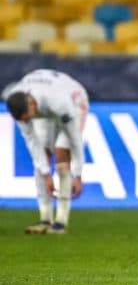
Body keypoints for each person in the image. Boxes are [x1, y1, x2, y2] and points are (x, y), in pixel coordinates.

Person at [4, 69, 89, 234]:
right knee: (42, 154)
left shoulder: (60, 103)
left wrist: (78, 174)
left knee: (61, 151)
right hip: (46, 107)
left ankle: (61, 221)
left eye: (28, 118)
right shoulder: (17, 103)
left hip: (75, 101)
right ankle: (45, 218)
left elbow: (75, 139)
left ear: (32, 104)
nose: (27, 122)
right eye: (24, 120)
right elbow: (32, 142)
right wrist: (46, 174)